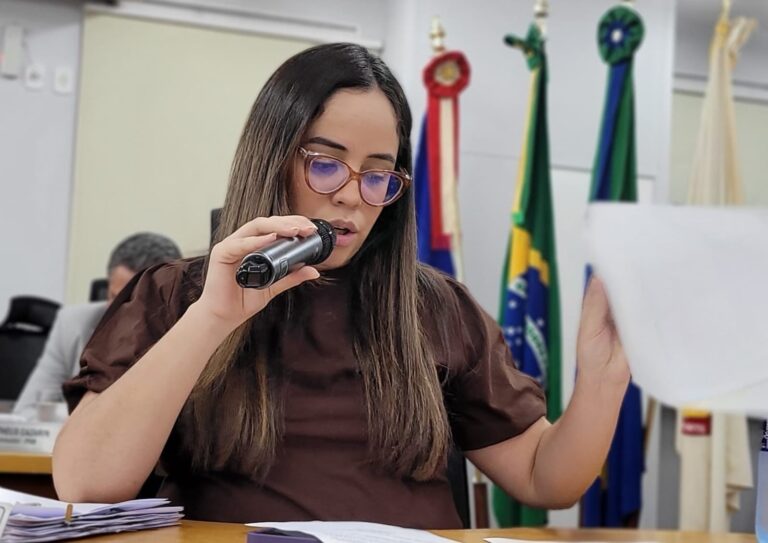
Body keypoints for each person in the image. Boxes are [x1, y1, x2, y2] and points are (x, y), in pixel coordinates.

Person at [53, 43, 630, 529]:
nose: (353, 195)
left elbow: (541, 477)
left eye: (378, 173)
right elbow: (87, 483)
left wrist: (601, 379)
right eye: (326, 165)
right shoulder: (175, 295)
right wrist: (212, 319)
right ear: (272, 160)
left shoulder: (436, 307)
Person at [13, 233, 182, 417]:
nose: (120, 312)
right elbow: (27, 413)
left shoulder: (191, 336)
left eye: (135, 302)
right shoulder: (72, 323)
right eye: (114, 297)